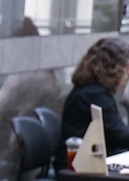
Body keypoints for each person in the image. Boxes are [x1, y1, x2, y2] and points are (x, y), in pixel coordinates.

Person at [53, 36, 129, 171]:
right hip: (75, 169)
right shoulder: (94, 95)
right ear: (114, 67)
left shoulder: (91, 91)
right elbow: (119, 135)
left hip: (85, 163)